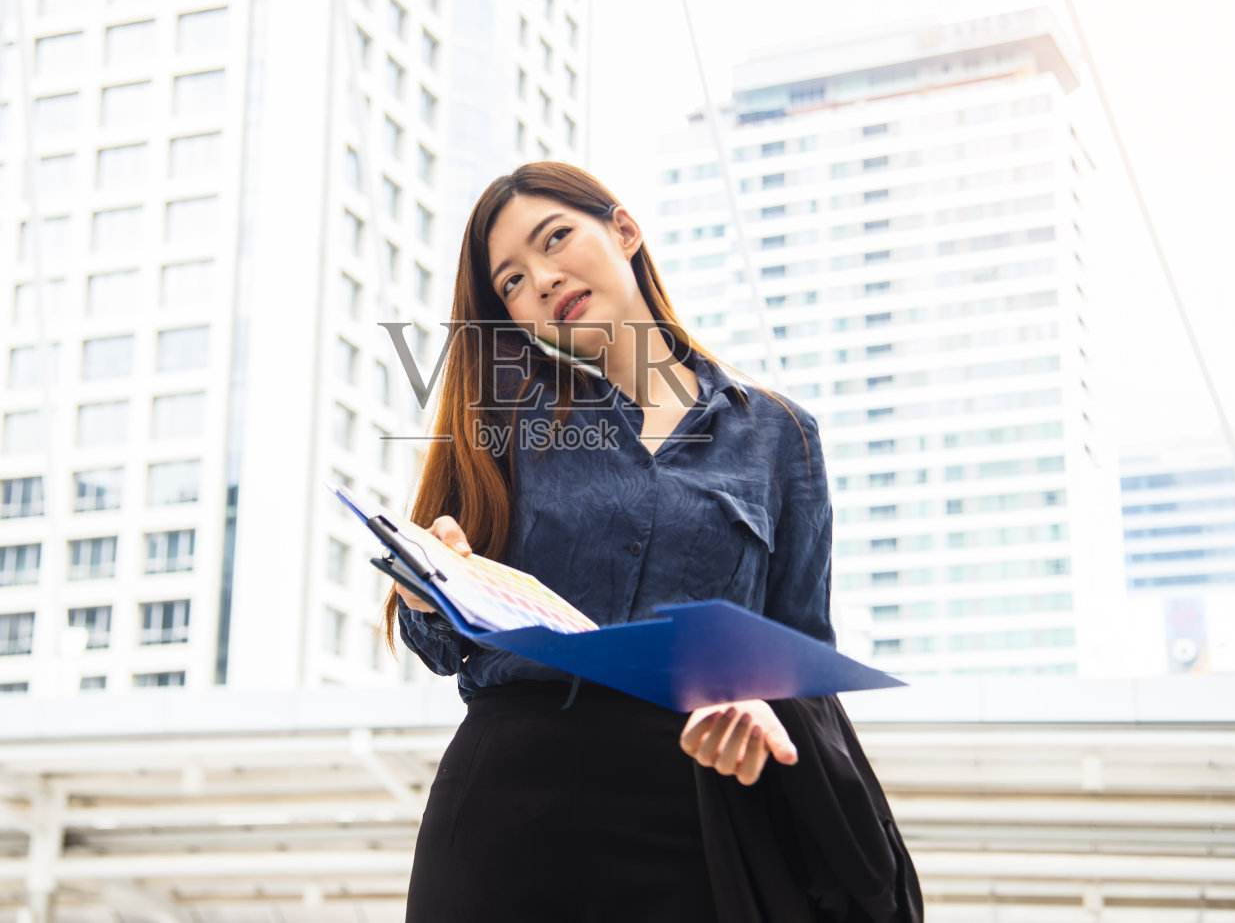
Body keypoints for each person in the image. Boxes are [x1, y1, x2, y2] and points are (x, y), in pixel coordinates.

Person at [379, 162, 885, 921]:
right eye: (512, 282)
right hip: (505, 811)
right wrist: (431, 586)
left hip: (700, 813)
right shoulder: (497, 424)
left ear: (624, 230)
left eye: (556, 239)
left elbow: (800, 661)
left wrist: (761, 706)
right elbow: (441, 640)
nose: (543, 280)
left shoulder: (780, 434)